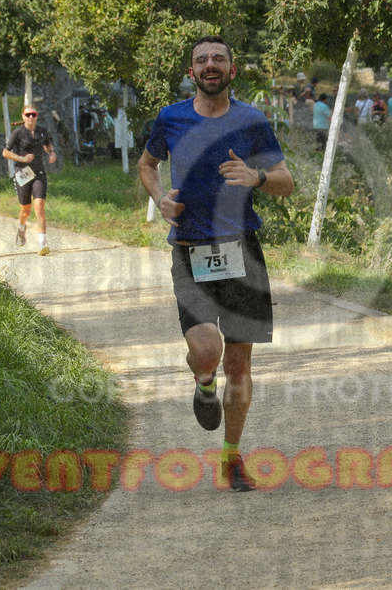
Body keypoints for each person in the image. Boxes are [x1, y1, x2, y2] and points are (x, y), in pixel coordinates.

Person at [138, 35, 294, 493]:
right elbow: (147, 165)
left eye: (219, 58)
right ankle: (204, 380)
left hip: (242, 250)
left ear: (232, 69)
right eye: (202, 59)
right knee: (208, 349)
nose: (210, 65)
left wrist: (257, 176)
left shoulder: (252, 121)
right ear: (192, 72)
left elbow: (287, 181)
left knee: (241, 365)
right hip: (190, 249)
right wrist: (159, 196)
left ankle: (232, 458)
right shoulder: (171, 118)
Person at [2, 105, 57, 255]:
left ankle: (42, 244)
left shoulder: (42, 131)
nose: (31, 117)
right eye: (28, 115)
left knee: (39, 208)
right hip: (23, 173)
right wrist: (22, 158)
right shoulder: (18, 133)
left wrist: (51, 153)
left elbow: (48, 145)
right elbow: (5, 152)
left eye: (33, 114)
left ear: (37, 115)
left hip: (39, 173)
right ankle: (21, 227)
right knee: (25, 210)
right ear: (23, 116)